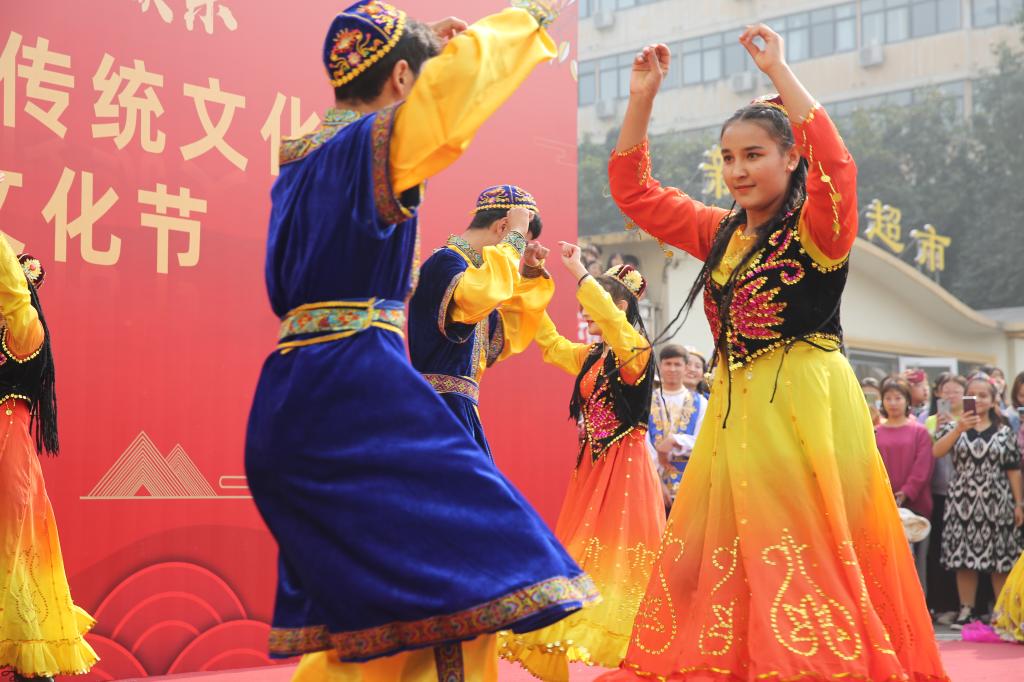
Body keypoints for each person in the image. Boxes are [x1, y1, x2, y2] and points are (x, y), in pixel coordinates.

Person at [243, 4, 598, 681]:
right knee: (466, 580)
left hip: (290, 398)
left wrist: (423, 49)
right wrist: (532, 14)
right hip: (358, 391)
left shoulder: (302, 165)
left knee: (372, 608)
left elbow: (498, 337)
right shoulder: (376, 147)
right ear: (405, 78)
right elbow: (457, 94)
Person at [601, 25, 947, 681]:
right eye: (728, 157)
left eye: (754, 154)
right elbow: (635, 193)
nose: (737, 170)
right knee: (729, 552)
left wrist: (780, 73)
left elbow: (839, 168)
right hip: (736, 412)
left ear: (791, 158)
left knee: (804, 546)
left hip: (805, 408)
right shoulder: (719, 232)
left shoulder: (821, 229)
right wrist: (642, 98)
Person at [500, 252, 665, 680]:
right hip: (593, 468)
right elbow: (553, 345)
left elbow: (610, 321)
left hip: (624, 470)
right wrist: (529, 289)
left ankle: (636, 654)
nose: (585, 314)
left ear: (619, 305)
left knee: (621, 559)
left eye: (592, 304)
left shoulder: (635, 350)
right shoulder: (594, 355)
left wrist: (578, 271)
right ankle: (562, 633)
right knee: (578, 553)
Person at [0, 235, 98, 681]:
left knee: (13, 553)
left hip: (8, 453)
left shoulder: (25, 332)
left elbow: (14, 294)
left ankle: (32, 666)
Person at [408, 187, 550, 459]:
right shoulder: (445, 264)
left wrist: (530, 275)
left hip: (457, 411)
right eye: (518, 241)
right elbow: (487, 291)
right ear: (503, 227)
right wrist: (516, 236)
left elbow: (505, 335)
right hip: (440, 413)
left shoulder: (471, 276)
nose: (518, 252)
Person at [932, 375, 1024, 629]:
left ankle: (1001, 612)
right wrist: (958, 429)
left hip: (998, 501)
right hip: (962, 501)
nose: (977, 399)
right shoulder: (953, 426)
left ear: (994, 400)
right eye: (972, 394)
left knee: (1000, 559)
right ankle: (966, 610)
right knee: (963, 558)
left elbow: (1013, 469)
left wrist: (1019, 504)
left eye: (983, 395)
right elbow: (937, 451)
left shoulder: (1005, 431)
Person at [875, 377, 935, 591]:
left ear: (907, 400)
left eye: (898, 398)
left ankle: (919, 602)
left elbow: (923, 466)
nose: (893, 403)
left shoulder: (919, 431)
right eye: (888, 398)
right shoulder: (875, 431)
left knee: (916, 561)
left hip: (915, 504)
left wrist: (907, 491)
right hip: (882, 503)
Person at [925, 373, 965, 620]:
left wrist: (956, 427)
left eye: (956, 391)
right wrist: (941, 429)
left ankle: (964, 605)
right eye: (946, 391)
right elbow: (929, 451)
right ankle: (941, 605)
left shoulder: (971, 418)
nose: (950, 396)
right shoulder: (930, 421)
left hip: (964, 493)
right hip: (938, 492)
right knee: (939, 550)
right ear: (939, 394)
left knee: (961, 550)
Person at [647, 345, 705, 511]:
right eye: (668, 364)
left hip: (690, 482)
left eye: (677, 364)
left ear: (685, 367)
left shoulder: (701, 402)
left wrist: (676, 440)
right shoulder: (646, 401)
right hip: (652, 481)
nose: (672, 369)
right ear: (660, 366)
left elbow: (704, 440)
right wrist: (656, 481)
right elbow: (643, 442)